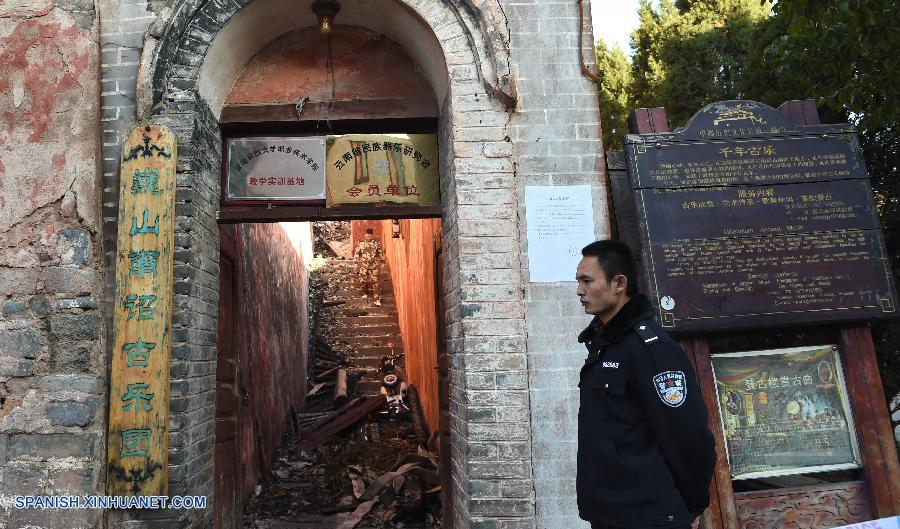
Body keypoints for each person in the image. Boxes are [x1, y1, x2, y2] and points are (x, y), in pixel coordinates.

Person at [575, 239, 716, 529]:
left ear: (619, 283)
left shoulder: (650, 348)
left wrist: (693, 504)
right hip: (611, 512)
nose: (579, 291)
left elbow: (688, 435)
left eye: (587, 281)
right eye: (579, 281)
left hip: (649, 515)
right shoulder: (605, 345)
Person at [353, 227, 384, 306]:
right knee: (362, 281)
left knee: (376, 283)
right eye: (367, 234)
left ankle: (377, 300)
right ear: (365, 234)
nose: (368, 236)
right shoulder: (361, 243)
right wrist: (355, 263)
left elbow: (380, 253)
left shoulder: (376, 243)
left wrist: (382, 262)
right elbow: (357, 253)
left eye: (370, 234)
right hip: (364, 266)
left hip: (374, 266)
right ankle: (365, 293)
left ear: (372, 235)